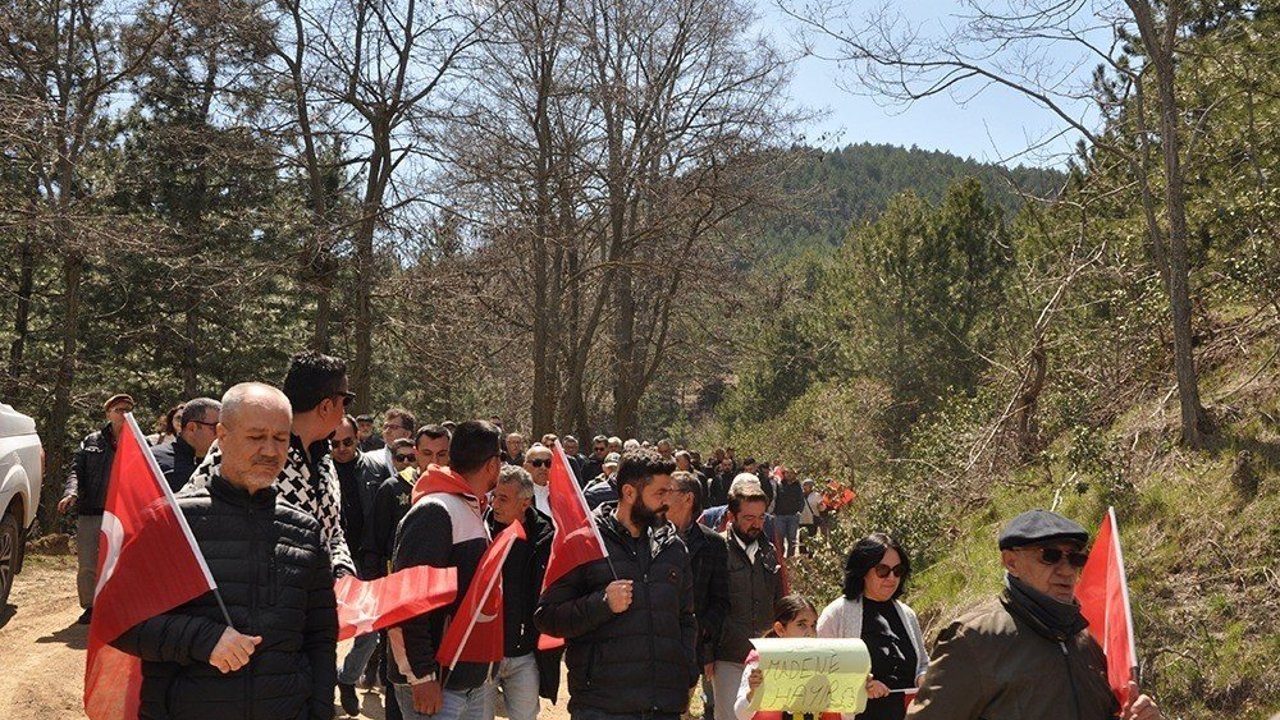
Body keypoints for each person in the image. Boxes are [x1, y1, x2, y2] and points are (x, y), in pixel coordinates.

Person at [110, 382, 337, 720]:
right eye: (256, 436)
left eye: (280, 438)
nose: (270, 451)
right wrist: (204, 640)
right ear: (222, 436)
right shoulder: (171, 522)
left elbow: (320, 639)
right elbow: (120, 621)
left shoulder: (305, 531)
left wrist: (318, 713)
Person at [906, 509, 1163, 720]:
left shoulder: (1086, 643)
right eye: (1050, 556)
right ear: (1011, 562)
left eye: (1075, 559)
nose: (1067, 571)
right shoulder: (974, 639)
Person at [535, 448, 699, 720]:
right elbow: (547, 617)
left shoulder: (673, 548)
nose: (667, 502)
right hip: (602, 706)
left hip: (663, 706)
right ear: (629, 492)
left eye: (669, 492)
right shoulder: (583, 542)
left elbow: (686, 618)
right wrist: (602, 604)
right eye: (660, 493)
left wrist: (686, 670)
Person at [186, 350, 356, 576]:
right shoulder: (236, 449)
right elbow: (192, 517)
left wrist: (343, 572)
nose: (270, 450)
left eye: (280, 439)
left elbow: (333, 534)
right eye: (345, 401)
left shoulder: (323, 456)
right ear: (326, 406)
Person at [389, 420, 504, 720]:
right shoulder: (436, 511)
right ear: (493, 465)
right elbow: (407, 602)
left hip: (469, 681)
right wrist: (422, 677)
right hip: (436, 684)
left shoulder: (471, 507)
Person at [816, 534, 928, 720]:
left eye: (898, 571)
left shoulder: (907, 614)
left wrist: (924, 678)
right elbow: (821, 672)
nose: (891, 577)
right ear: (863, 571)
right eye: (882, 570)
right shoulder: (836, 614)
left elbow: (922, 663)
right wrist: (860, 685)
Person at [485, 465, 559, 720]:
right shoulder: (481, 530)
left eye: (503, 499)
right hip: (485, 653)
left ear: (525, 503)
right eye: (494, 496)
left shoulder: (545, 536)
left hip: (525, 654)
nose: (495, 504)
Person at [58, 392, 134, 624]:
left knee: (122, 562)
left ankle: (118, 605)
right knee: (88, 562)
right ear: (108, 413)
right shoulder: (91, 441)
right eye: (119, 410)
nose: (124, 414)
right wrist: (71, 493)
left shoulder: (139, 441)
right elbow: (76, 470)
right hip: (92, 509)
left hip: (123, 514)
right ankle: (90, 606)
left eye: (128, 410)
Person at [333, 414, 389, 715]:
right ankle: (323, 686)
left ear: (358, 438)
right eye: (334, 443)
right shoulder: (317, 471)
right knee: (324, 629)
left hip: (366, 561)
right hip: (328, 562)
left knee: (369, 633)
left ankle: (347, 678)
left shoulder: (376, 469)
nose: (341, 448)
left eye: (347, 442)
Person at [712, 482, 783, 720]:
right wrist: (706, 655)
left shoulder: (769, 550)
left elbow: (780, 600)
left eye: (761, 517)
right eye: (749, 518)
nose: (757, 524)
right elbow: (706, 604)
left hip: (765, 656)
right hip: (728, 655)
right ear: (731, 516)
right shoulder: (716, 549)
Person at [668, 470, 730, 720]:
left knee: (679, 711)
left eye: (669, 490)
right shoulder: (648, 537)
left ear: (688, 498)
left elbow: (720, 599)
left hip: (689, 650)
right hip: (651, 644)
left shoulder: (712, 544)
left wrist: (701, 631)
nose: (662, 495)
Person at [734, 595, 838, 720]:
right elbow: (740, 714)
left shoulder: (824, 663)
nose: (810, 633)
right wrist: (753, 693)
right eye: (801, 624)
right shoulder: (760, 663)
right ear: (780, 629)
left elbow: (844, 714)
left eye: (813, 626)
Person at [152, 397, 222, 492]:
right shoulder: (153, 460)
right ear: (192, 428)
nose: (222, 433)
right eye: (216, 428)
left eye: (225, 428)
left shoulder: (223, 465)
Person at [771, 468, 804, 558]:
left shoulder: (797, 486)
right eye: (787, 473)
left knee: (792, 539)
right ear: (784, 474)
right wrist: (773, 511)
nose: (789, 475)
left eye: (791, 473)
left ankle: (790, 558)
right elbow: (775, 498)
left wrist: (799, 511)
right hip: (780, 516)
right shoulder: (779, 485)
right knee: (779, 539)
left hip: (793, 516)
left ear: (794, 475)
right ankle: (780, 558)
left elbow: (801, 500)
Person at [522, 443, 553, 516]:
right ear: (525, 466)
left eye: (548, 463)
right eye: (537, 463)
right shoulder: (516, 493)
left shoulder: (559, 494)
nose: (543, 467)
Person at [797, 480, 822, 548]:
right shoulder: (800, 495)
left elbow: (822, 508)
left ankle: (811, 552)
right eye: (804, 485)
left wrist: (820, 505)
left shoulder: (816, 495)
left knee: (812, 538)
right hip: (802, 520)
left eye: (807, 485)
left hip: (812, 521)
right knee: (802, 539)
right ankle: (802, 553)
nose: (805, 487)